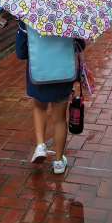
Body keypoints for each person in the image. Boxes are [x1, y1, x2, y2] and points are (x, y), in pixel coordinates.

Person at [16, 23, 85, 174]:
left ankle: (41, 145)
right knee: (60, 119)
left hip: (38, 73)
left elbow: (21, 52)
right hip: (63, 73)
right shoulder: (69, 17)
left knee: (39, 107)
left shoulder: (28, 18)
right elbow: (80, 45)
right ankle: (59, 162)